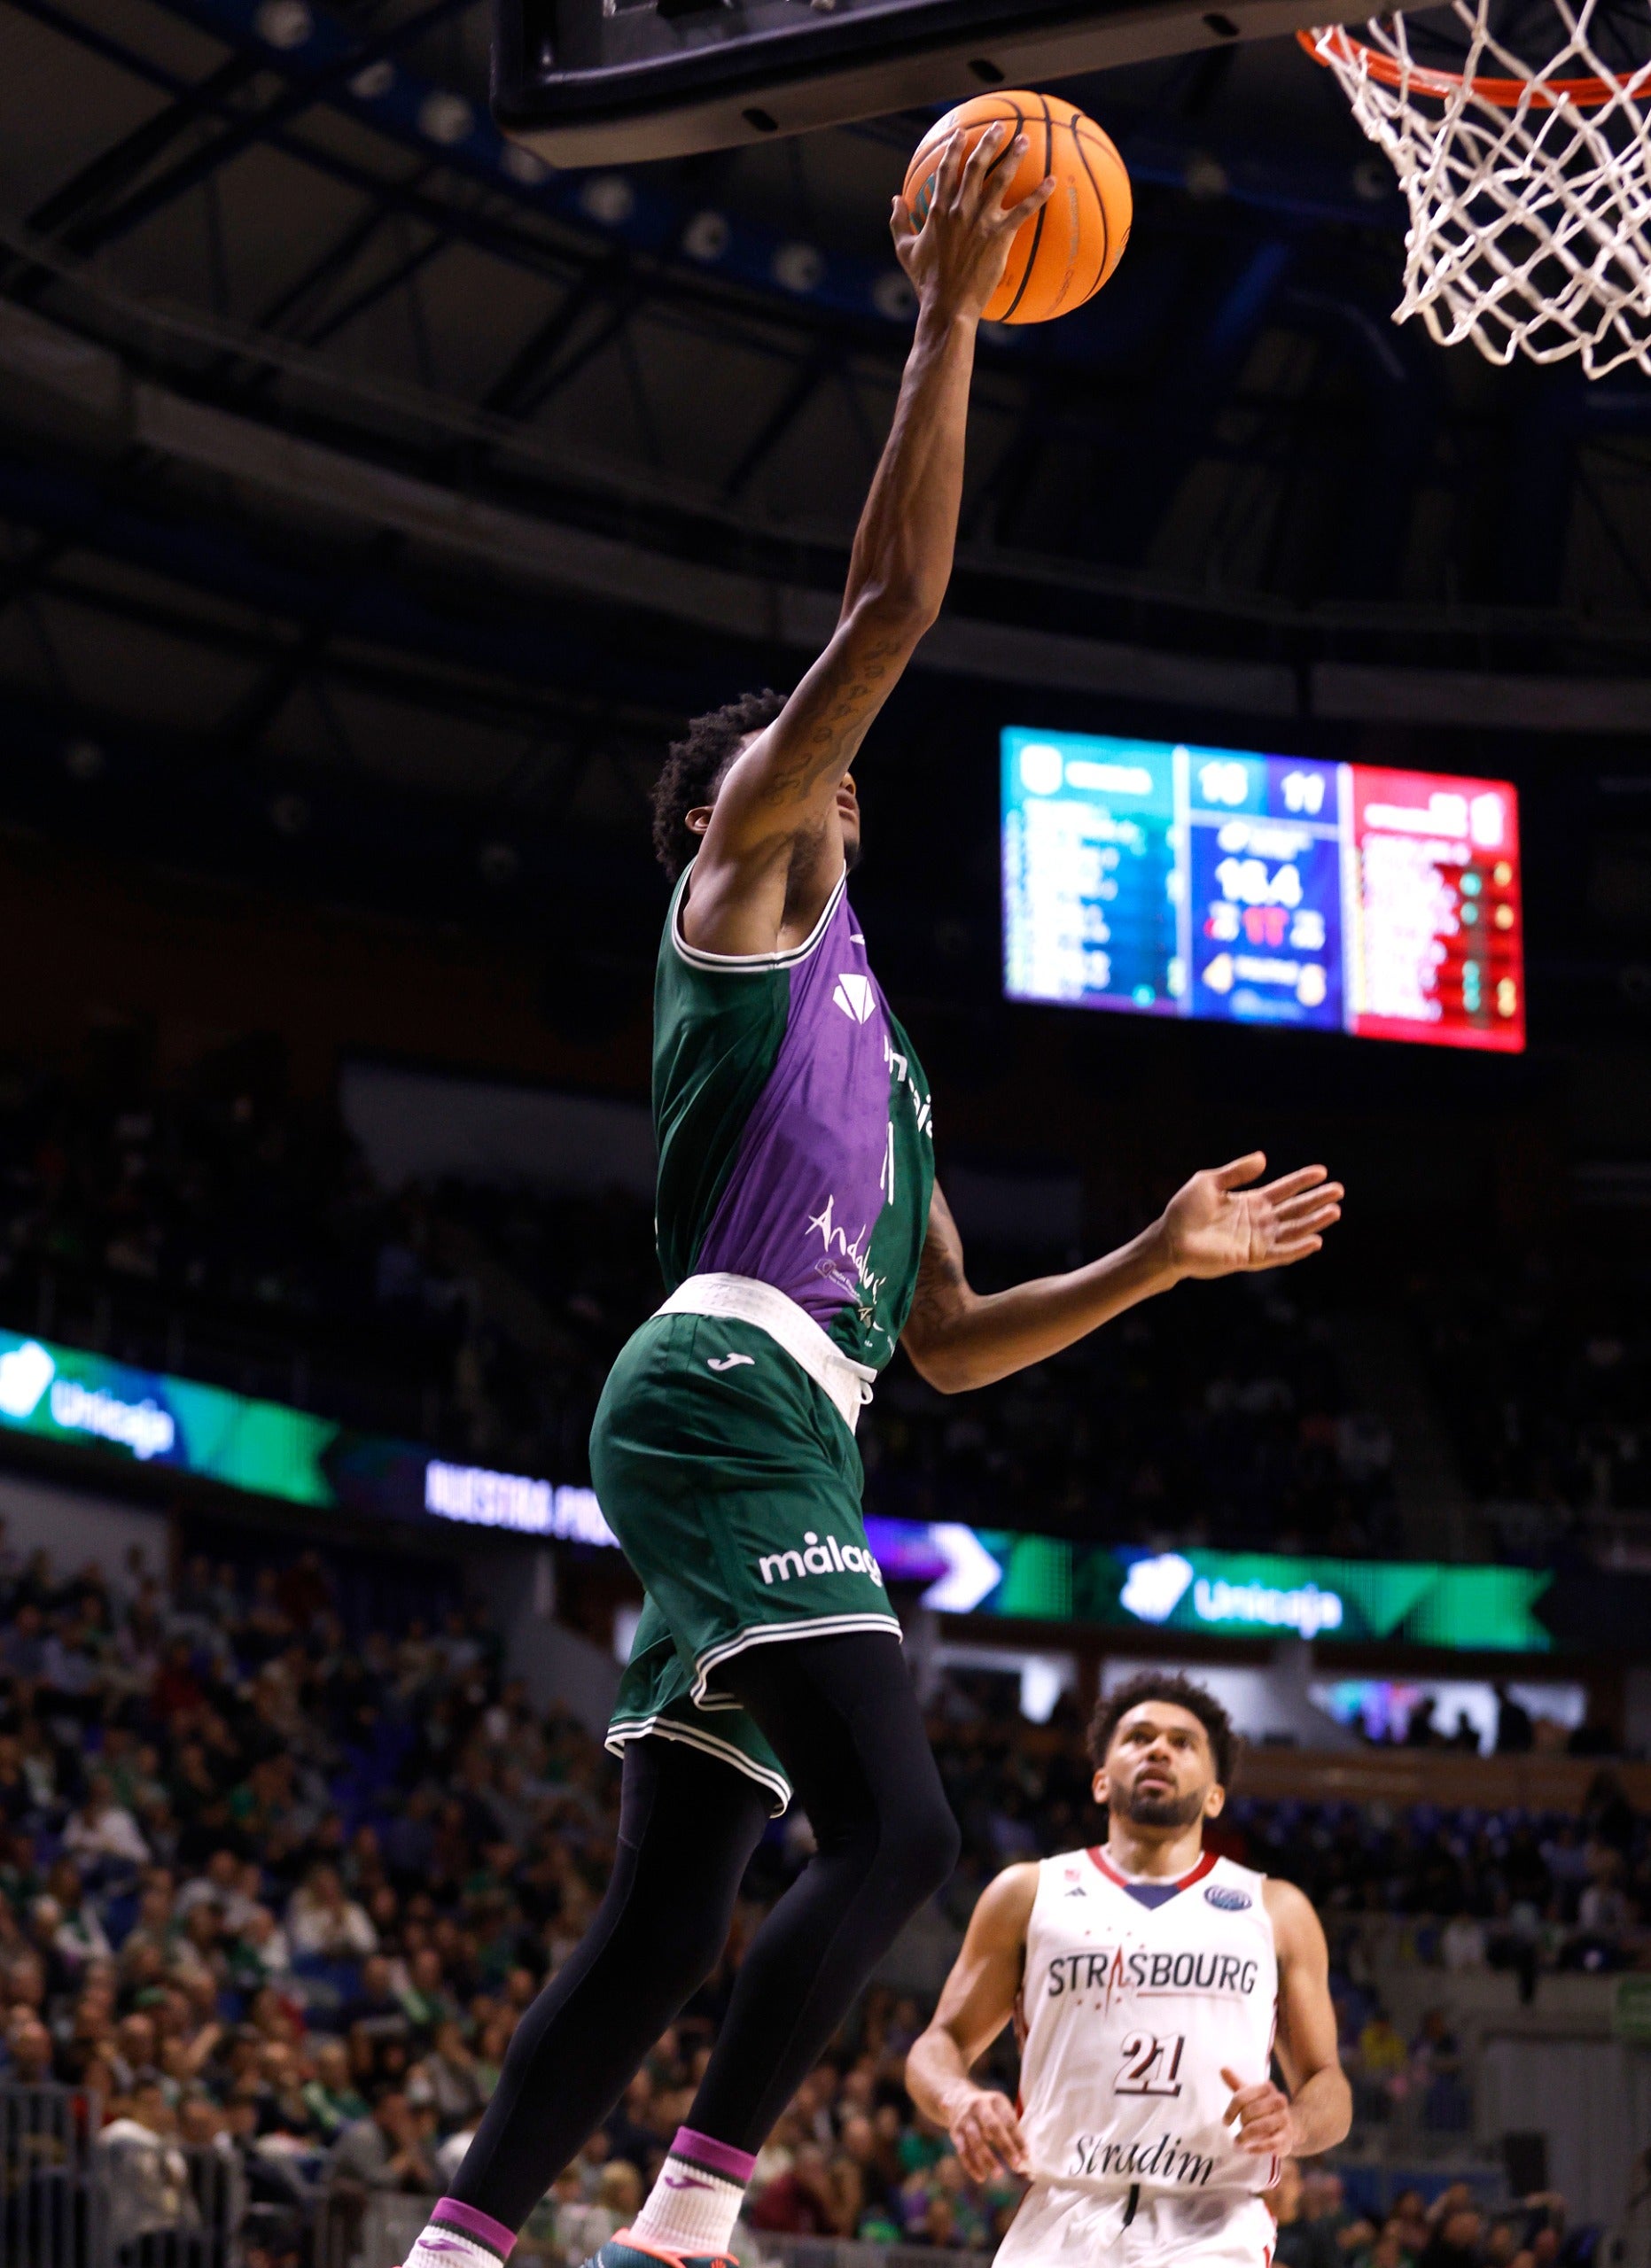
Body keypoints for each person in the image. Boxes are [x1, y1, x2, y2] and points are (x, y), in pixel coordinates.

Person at [395, 123, 1345, 2268]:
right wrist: (944, 304)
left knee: (665, 1916)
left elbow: (950, 1334)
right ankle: (685, 2221)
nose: (850, 803)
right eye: (827, 778)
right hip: (720, 1389)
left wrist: (1163, 1254)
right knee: (902, 1822)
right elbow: (894, 601)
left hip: (797, 1412)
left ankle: (455, 2244)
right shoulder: (740, 880)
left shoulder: (891, 1050)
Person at [906, 1674, 1352, 2268]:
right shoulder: (1027, 1894)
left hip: (1212, 2218)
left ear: (1215, 1795)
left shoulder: (1276, 1911)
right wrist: (959, 2099)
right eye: (1137, 1737)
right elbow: (937, 2046)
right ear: (1099, 1779)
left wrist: (1293, 2125)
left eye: (1181, 1742)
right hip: (1061, 2210)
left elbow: (1330, 2089)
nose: (1158, 1750)